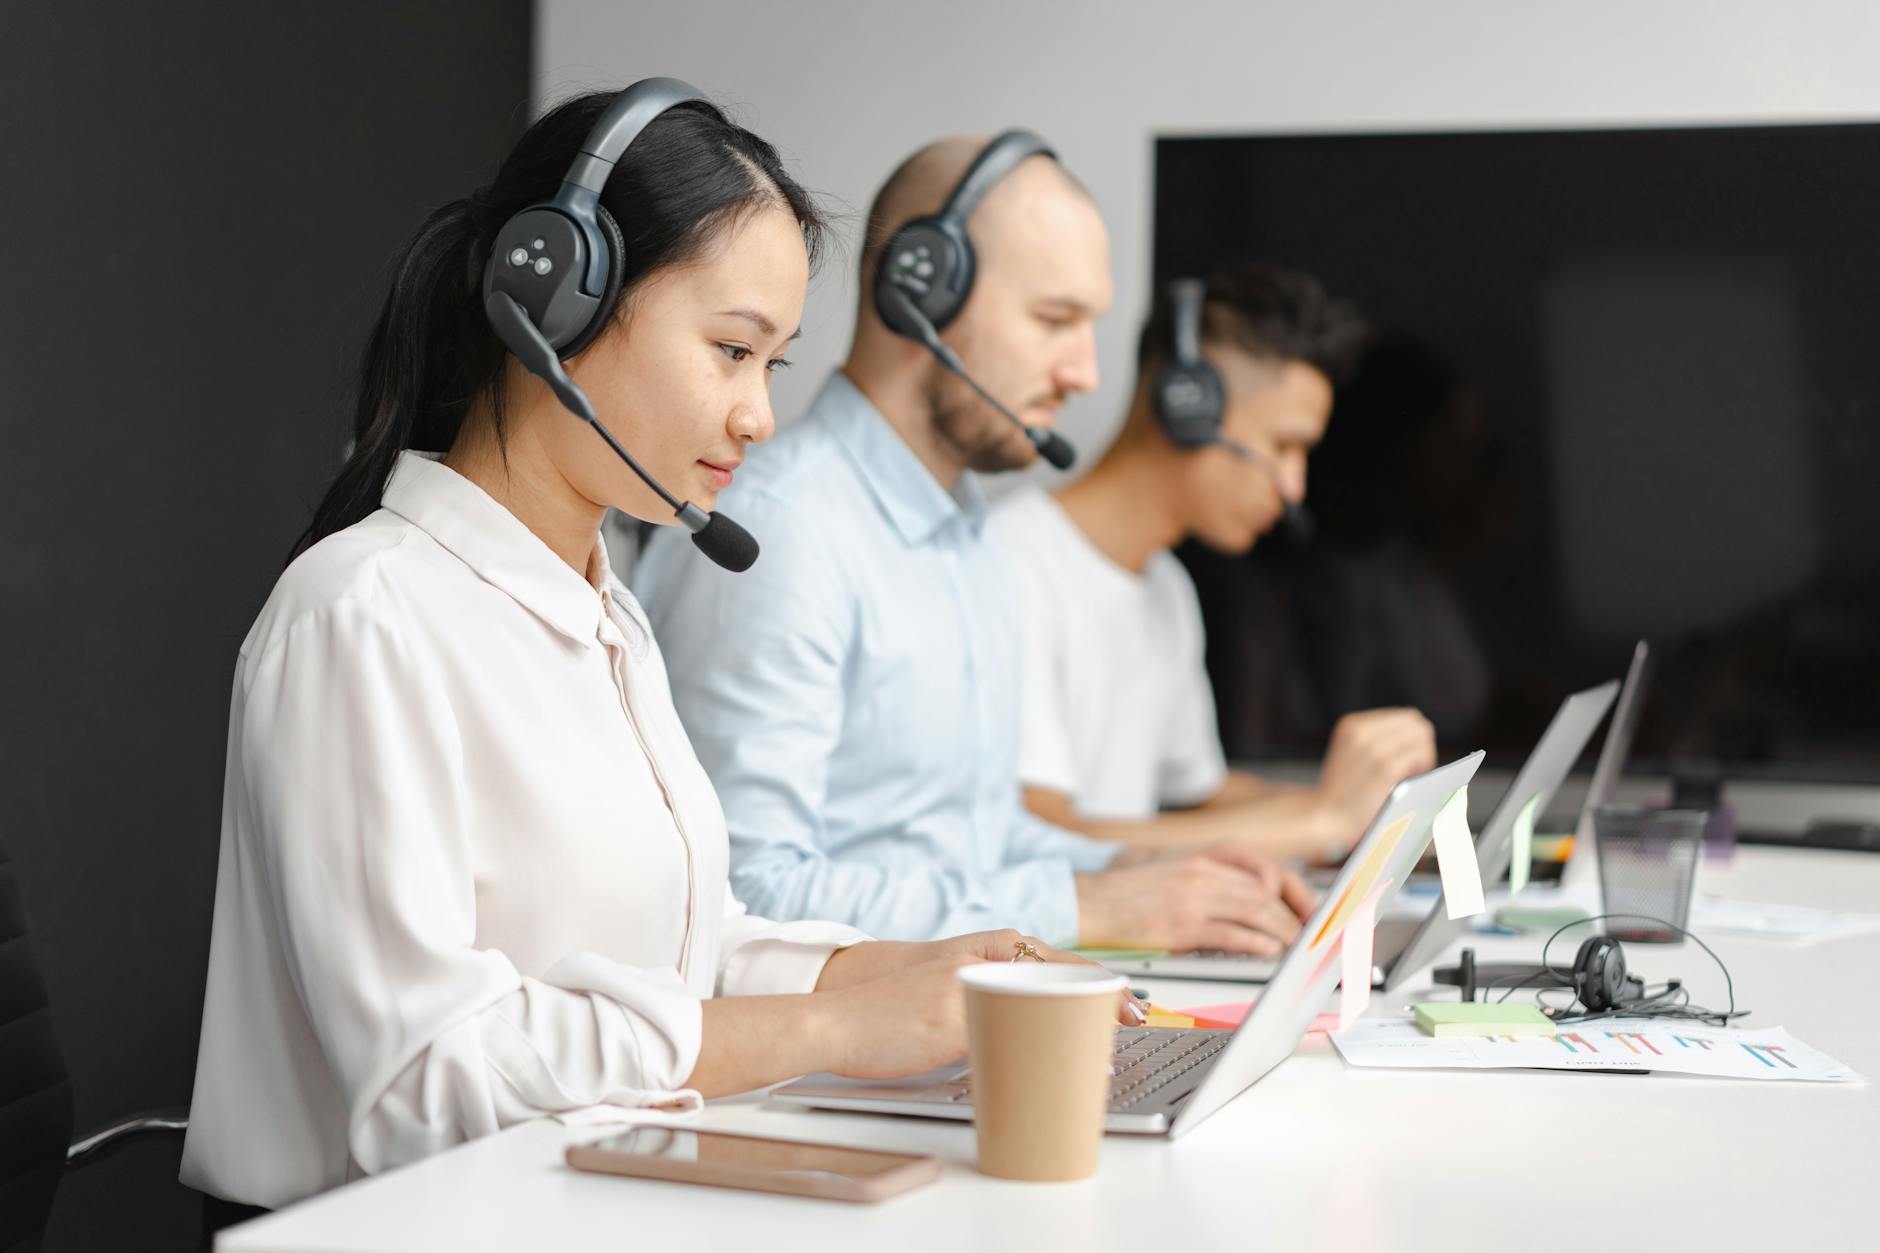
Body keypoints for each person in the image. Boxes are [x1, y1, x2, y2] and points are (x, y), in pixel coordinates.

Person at [181, 85, 1125, 1214]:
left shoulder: (605, 611)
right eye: (731, 349)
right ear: (555, 298)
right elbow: (426, 1079)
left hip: (589, 1202)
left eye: (768, 365)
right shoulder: (363, 613)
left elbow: (675, 943)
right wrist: (828, 1025)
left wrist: (891, 971)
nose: (757, 415)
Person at [633, 134, 1314, 958]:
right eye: (1055, 320)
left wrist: (1147, 869)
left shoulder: (970, 536)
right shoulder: (787, 533)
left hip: (952, 1034)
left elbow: (975, 840)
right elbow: (746, 890)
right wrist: (1092, 908)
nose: (1085, 373)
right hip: (814, 1072)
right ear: (923, 286)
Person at [989, 265, 1437, 862]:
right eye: (1284, 446)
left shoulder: (1167, 588)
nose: (1294, 488)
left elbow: (1201, 797)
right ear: (1186, 404)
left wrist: (1368, 812)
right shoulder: (1012, 562)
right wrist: (1317, 822)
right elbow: (1043, 840)